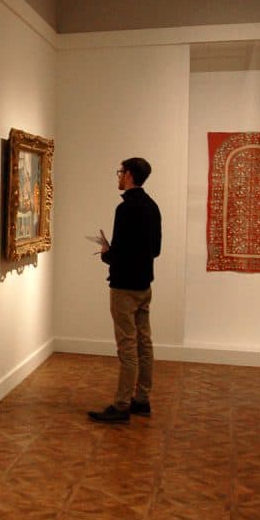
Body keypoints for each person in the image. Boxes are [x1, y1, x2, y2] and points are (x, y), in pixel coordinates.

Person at [89, 158, 162, 423]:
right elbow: (155, 250)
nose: (118, 176)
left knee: (127, 346)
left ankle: (121, 405)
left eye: (120, 172)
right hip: (144, 284)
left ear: (129, 175)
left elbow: (120, 254)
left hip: (124, 287)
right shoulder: (153, 207)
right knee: (145, 343)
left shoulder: (126, 208)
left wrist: (108, 253)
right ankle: (142, 399)